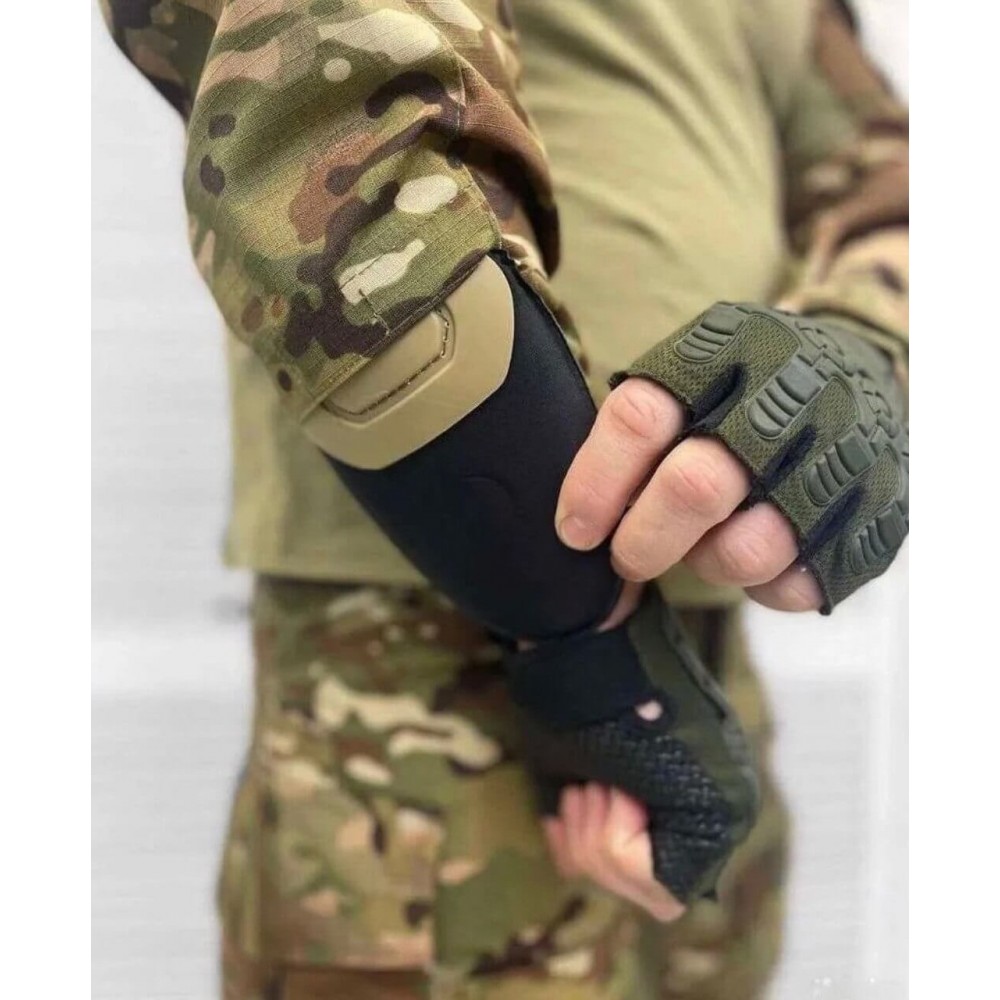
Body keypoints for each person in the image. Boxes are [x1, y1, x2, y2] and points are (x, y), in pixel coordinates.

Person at [100, 0, 908, 996]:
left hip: (706, 652)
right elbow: (326, 114)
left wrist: (860, 348)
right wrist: (591, 643)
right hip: (427, 648)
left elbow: (879, 170)